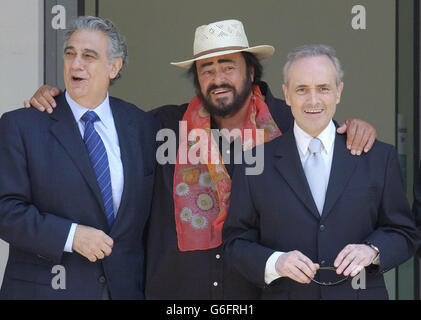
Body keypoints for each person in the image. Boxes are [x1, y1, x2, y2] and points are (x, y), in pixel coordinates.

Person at [25, 19, 376, 299]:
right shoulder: (161, 126)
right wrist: (58, 100)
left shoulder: (289, 123)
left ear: (251, 72)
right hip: (177, 295)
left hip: (265, 289)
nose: (217, 78)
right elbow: (98, 122)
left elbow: (329, 136)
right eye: (207, 70)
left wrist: (355, 128)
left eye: (228, 67)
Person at [223, 44, 418, 300]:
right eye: (302, 89)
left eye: (323, 88)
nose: (313, 100)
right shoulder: (253, 163)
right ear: (287, 94)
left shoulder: (380, 158)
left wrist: (373, 250)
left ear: (338, 92)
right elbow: (235, 243)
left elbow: (404, 233)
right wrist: (275, 262)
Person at [0, 16, 160, 299]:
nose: (76, 64)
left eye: (89, 56)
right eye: (70, 54)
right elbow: (5, 211)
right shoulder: (22, 125)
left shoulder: (143, 126)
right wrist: (71, 236)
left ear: (114, 66)